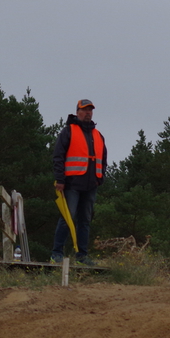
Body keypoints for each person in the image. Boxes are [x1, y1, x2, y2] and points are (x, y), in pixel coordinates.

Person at [51, 99, 107, 264]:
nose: (88, 113)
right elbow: (58, 156)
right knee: (67, 218)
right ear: (78, 112)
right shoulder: (68, 131)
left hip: (91, 185)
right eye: (85, 110)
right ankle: (56, 254)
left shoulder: (98, 135)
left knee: (85, 221)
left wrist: (100, 178)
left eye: (90, 110)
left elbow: (103, 159)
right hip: (72, 184)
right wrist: (60, 179)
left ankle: (82, 256)